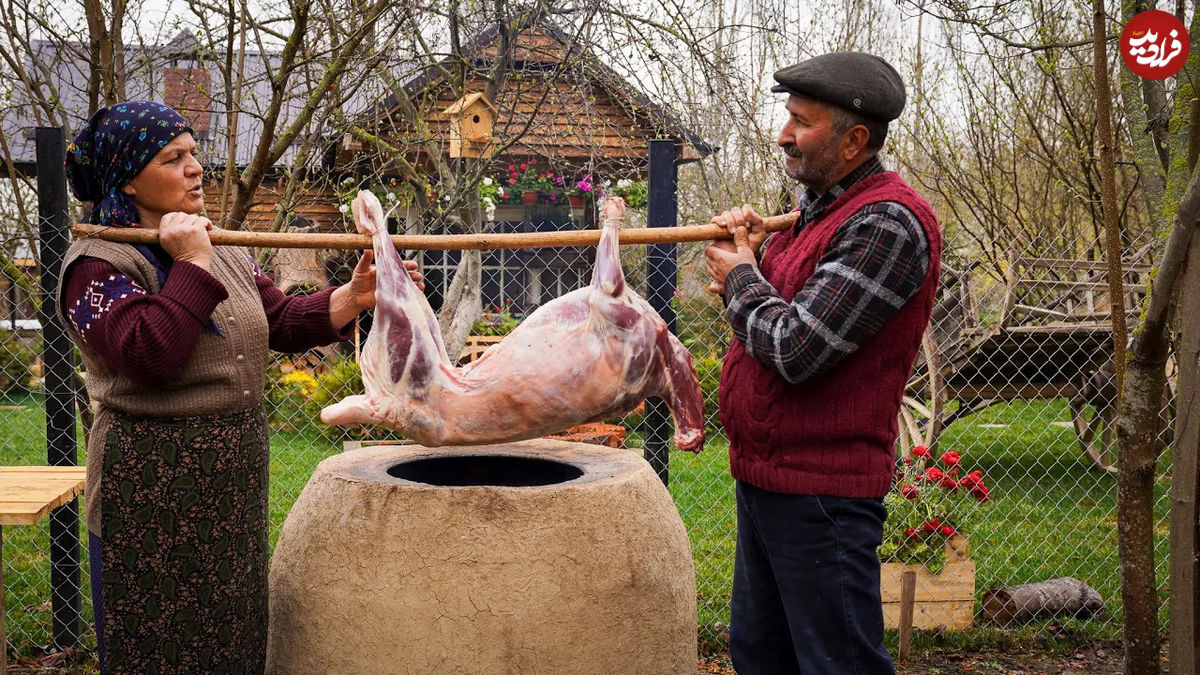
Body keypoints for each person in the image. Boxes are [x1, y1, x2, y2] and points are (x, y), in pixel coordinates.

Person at [56, 100, 423, 674]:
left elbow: (276, 320)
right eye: (173, 158)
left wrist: (353, 298)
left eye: (194, 153)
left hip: (230, 483)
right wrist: (192, 263)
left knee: (231, 634)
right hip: (150, 487)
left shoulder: (218, 246)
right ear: (128, 179)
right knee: (156, 643)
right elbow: (152, 355)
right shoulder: (97, 265)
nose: (195, 168)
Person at [704, 53, 942, 674]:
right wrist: (750, 254)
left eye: (800, 122)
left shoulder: (887, 223)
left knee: (838, 663)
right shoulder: (817, 215)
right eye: (787, 117)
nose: (783, 134)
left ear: (854, 140)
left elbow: (795, 347)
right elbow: (773, 307)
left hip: (822, 493)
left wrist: (740, 281)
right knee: (762, 653)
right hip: (770, 478)